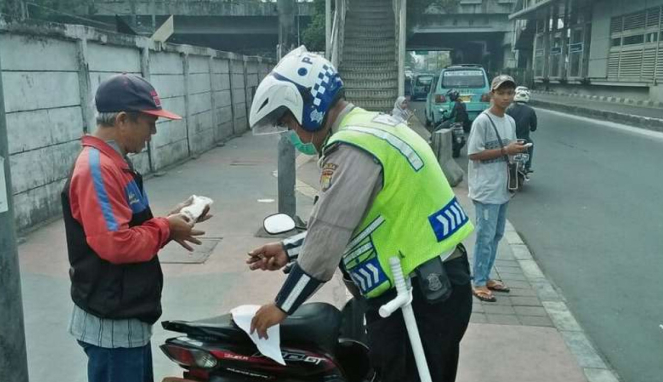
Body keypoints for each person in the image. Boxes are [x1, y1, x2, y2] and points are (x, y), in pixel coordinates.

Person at [245, 46, 474, 382]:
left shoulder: (353, 146)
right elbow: (348, 221)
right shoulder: (371, 126)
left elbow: (328, 236)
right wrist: (286, 249)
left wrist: (282, 306)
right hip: (433, 284)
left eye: (290, 121)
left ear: (309, 106)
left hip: (421, 296)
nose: (294, 132)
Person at [61, 73, 211, 382]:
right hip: (112, 323)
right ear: (122, 120)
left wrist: (175, 218)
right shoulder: (97, 169)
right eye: (150, 123)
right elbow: (117, 244)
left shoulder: (116, 165)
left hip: (126, 315)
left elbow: (134, 228)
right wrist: (167, 229)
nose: (153, 132)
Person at [466, 75, 528, 303]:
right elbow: (473, 154)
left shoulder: (509, 121)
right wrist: (506, 150)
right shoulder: (482, 121)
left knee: (497, 235)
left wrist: (517, 150)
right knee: (485, 236)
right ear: (492, 94)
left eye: (510, 93)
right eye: (501, 93)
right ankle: (479, 283)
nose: (506, 97)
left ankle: (486, 275)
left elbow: (509, 150)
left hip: (502, 187)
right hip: (485, 190)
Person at [506, 87, 537, 174]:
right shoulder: (531, 111)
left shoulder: (509, 109)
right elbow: (534, 128)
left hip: (510, 139)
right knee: (531, 146)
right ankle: (527, 167)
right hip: (524, 139)